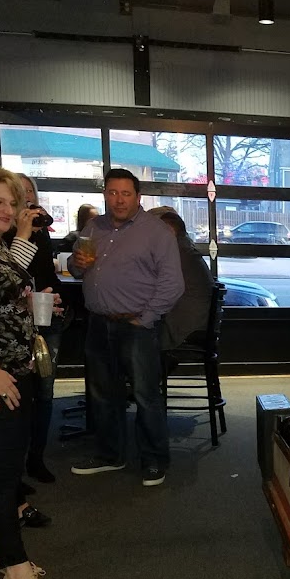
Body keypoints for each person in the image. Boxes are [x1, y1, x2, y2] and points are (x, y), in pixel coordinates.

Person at [0, 164, 71, 579]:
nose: (8, 209)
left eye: (12, 202)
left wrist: (30, 305)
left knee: (3, 470)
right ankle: (16, 573)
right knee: (1, 480)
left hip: (16, 370)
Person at [68, 168, 184, 487]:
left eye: (126, 194)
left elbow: (173, 284)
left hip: (136, 325)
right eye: (112, 193)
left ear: (138, 197)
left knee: (146, 396)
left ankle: (154, 459)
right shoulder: (94, 226)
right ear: (105, 195)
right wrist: (76, 264)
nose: (119, 200)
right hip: (98, 323)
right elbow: (75, 268)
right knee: (102, 394)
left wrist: (146, 318)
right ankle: (110, 455)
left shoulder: (156, 232)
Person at [11, 173, 64, 484]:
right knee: (19, 391)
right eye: (20, 192)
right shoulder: (1, 232)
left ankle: (36, 458)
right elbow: (10, 277)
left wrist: (58, 297)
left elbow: (45, 271)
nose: (26, 196)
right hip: (15, 322)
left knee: (45, 389)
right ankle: (14, 468)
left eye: (29, 190)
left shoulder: (40, 229)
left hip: (46, 315)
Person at [148, 207, 214, 351]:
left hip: (183, 324)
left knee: (130, 331)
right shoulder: (185, 248)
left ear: (169, 231)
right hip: (196, 320)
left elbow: (155, 289)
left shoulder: (176, 253)